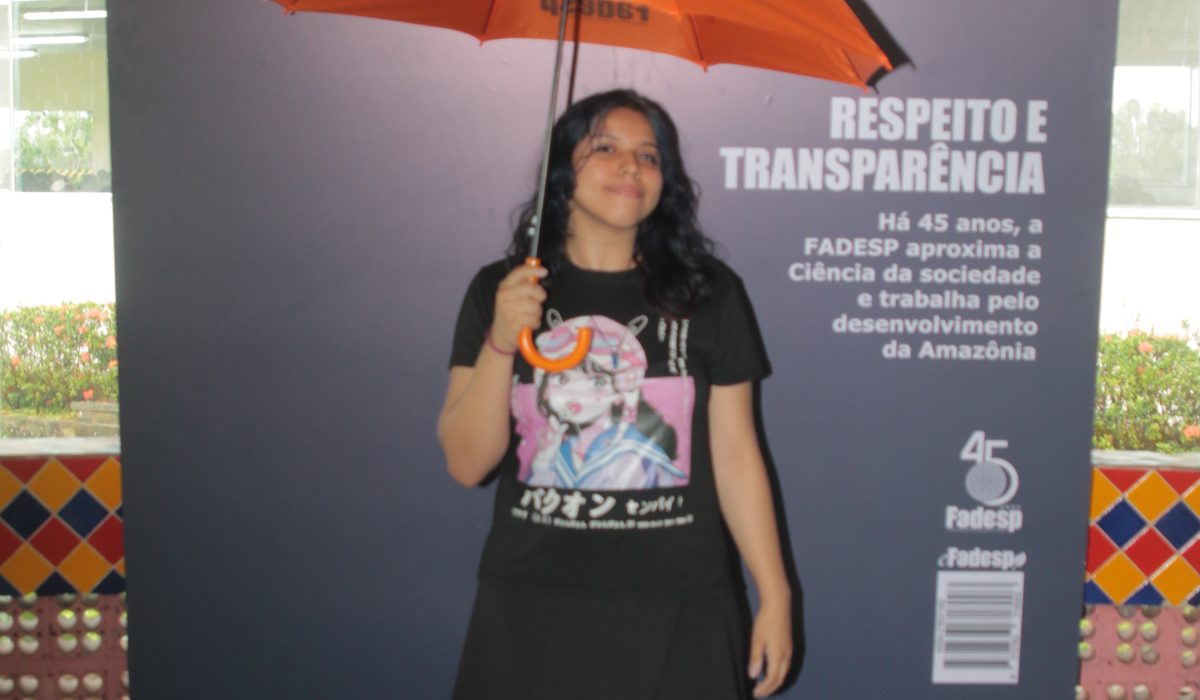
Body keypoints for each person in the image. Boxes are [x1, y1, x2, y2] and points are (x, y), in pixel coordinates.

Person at [439, 89, 792, 699]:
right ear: (561, 174)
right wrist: (501, 337)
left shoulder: (708, 293)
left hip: (680, 605)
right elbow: (468, 464)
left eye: (650, 156)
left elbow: (736, 456)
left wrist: (776, 593)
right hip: (532, 604)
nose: (632, 166)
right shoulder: (501, 288)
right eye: (605, 148)